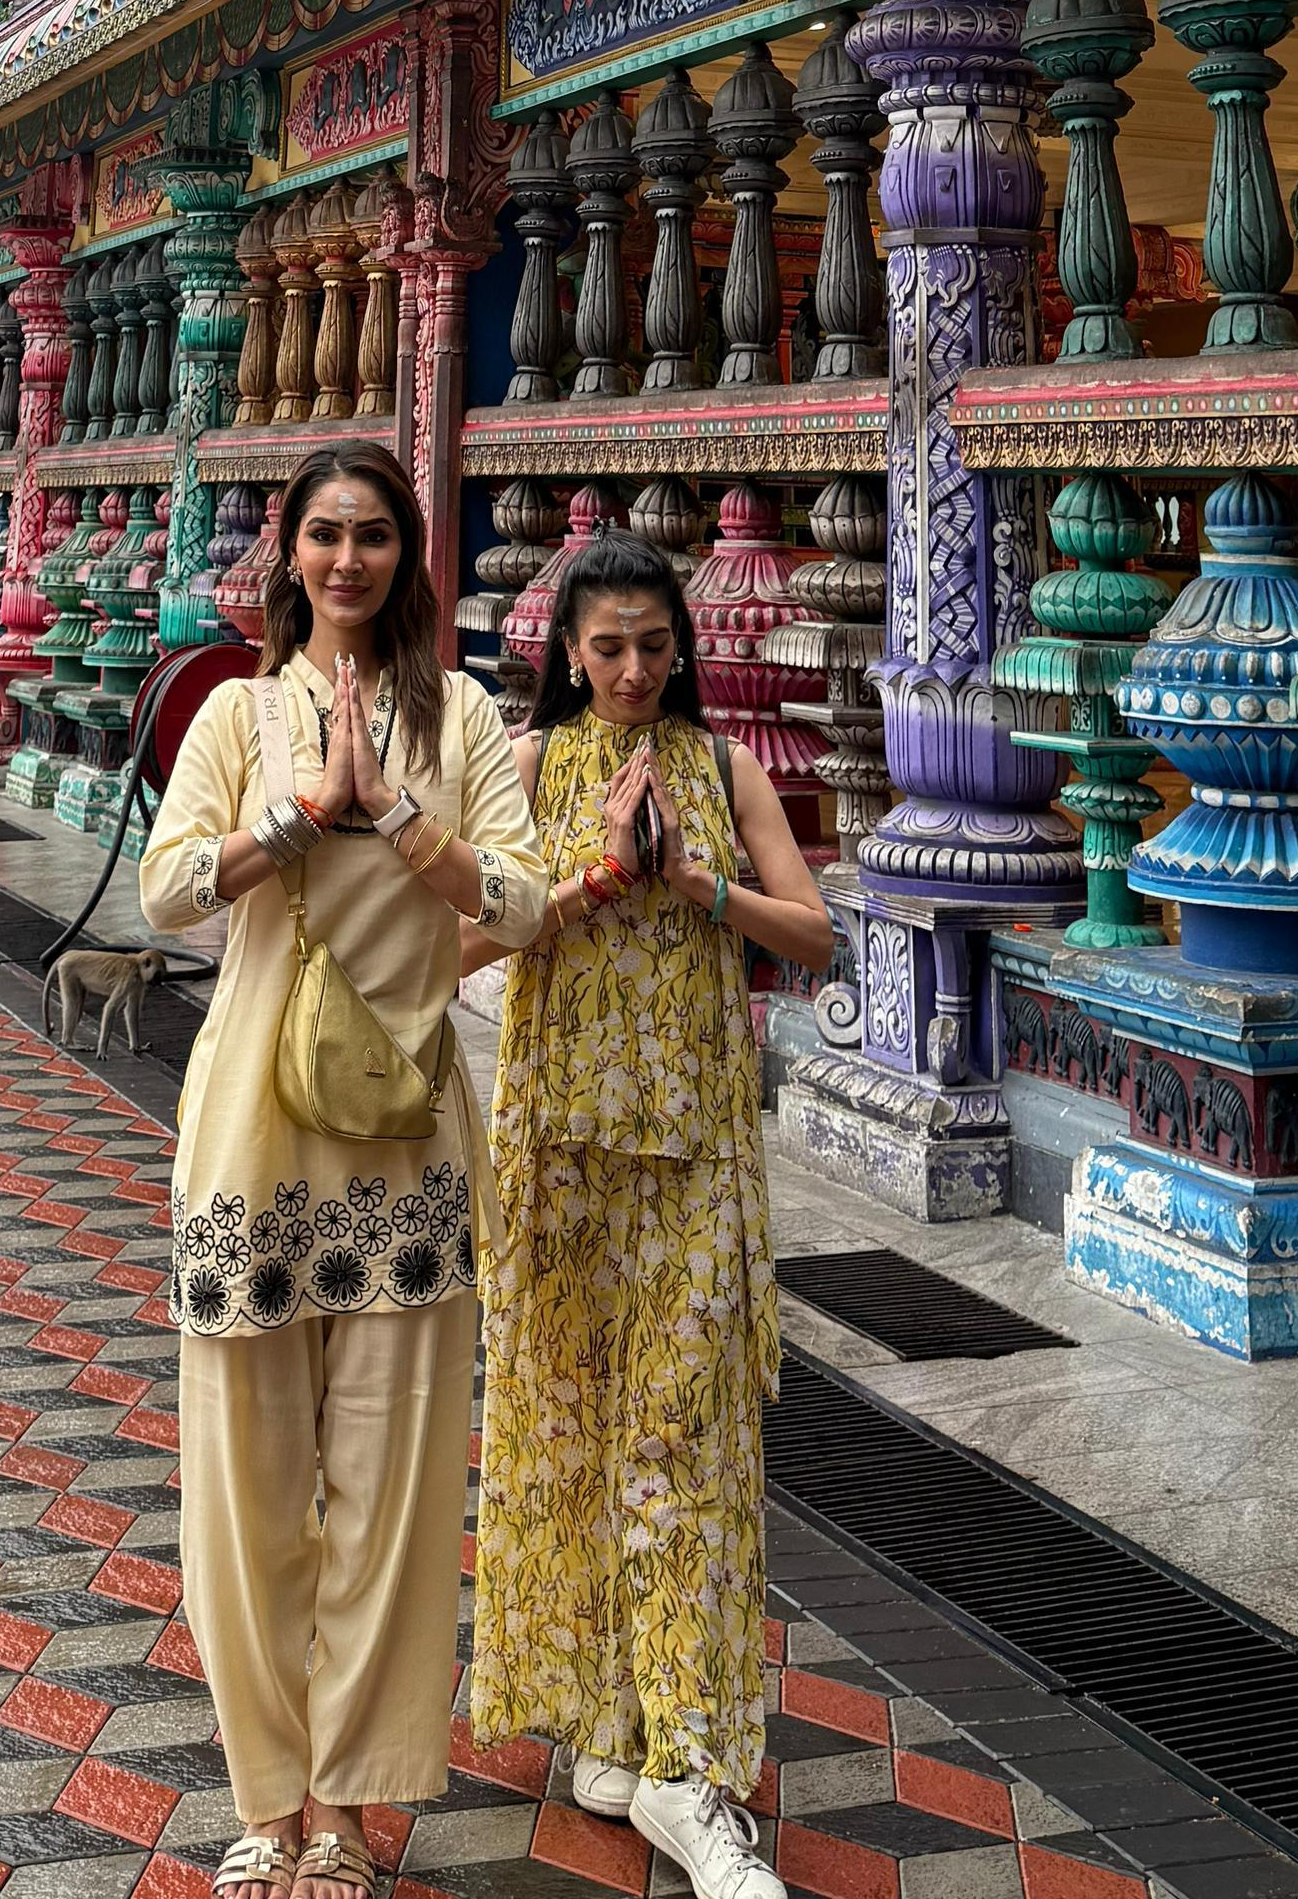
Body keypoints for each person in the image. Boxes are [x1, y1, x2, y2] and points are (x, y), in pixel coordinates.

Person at [136, 447, 547, 1899]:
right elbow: (167, 890)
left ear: (409, 555)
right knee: (245, 1490)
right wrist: (297, 815)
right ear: (287, 556)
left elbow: (527, 899)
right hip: (252, 1131)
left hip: (410, 1147)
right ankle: (272, 1797)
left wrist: (400, 819)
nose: (348, 560)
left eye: (374, 535)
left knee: (395, 1489)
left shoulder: (470, 714)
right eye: (324, 535)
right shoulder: (239, 714)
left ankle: (354, 1814)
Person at [468, 535, 832, 1899]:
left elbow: (816, 936)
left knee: (681, 1441)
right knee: (567, 1430)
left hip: (691, 1165)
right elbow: (446, 945)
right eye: (605, 648)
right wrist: (590, 886)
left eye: (651, 646)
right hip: (558, 1160)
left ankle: (690, 1768)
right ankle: (607, 1719)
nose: (629, 672)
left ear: (681, 651)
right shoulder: (519, 767)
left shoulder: (725, 771)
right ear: (566, 652)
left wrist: (697, 885)